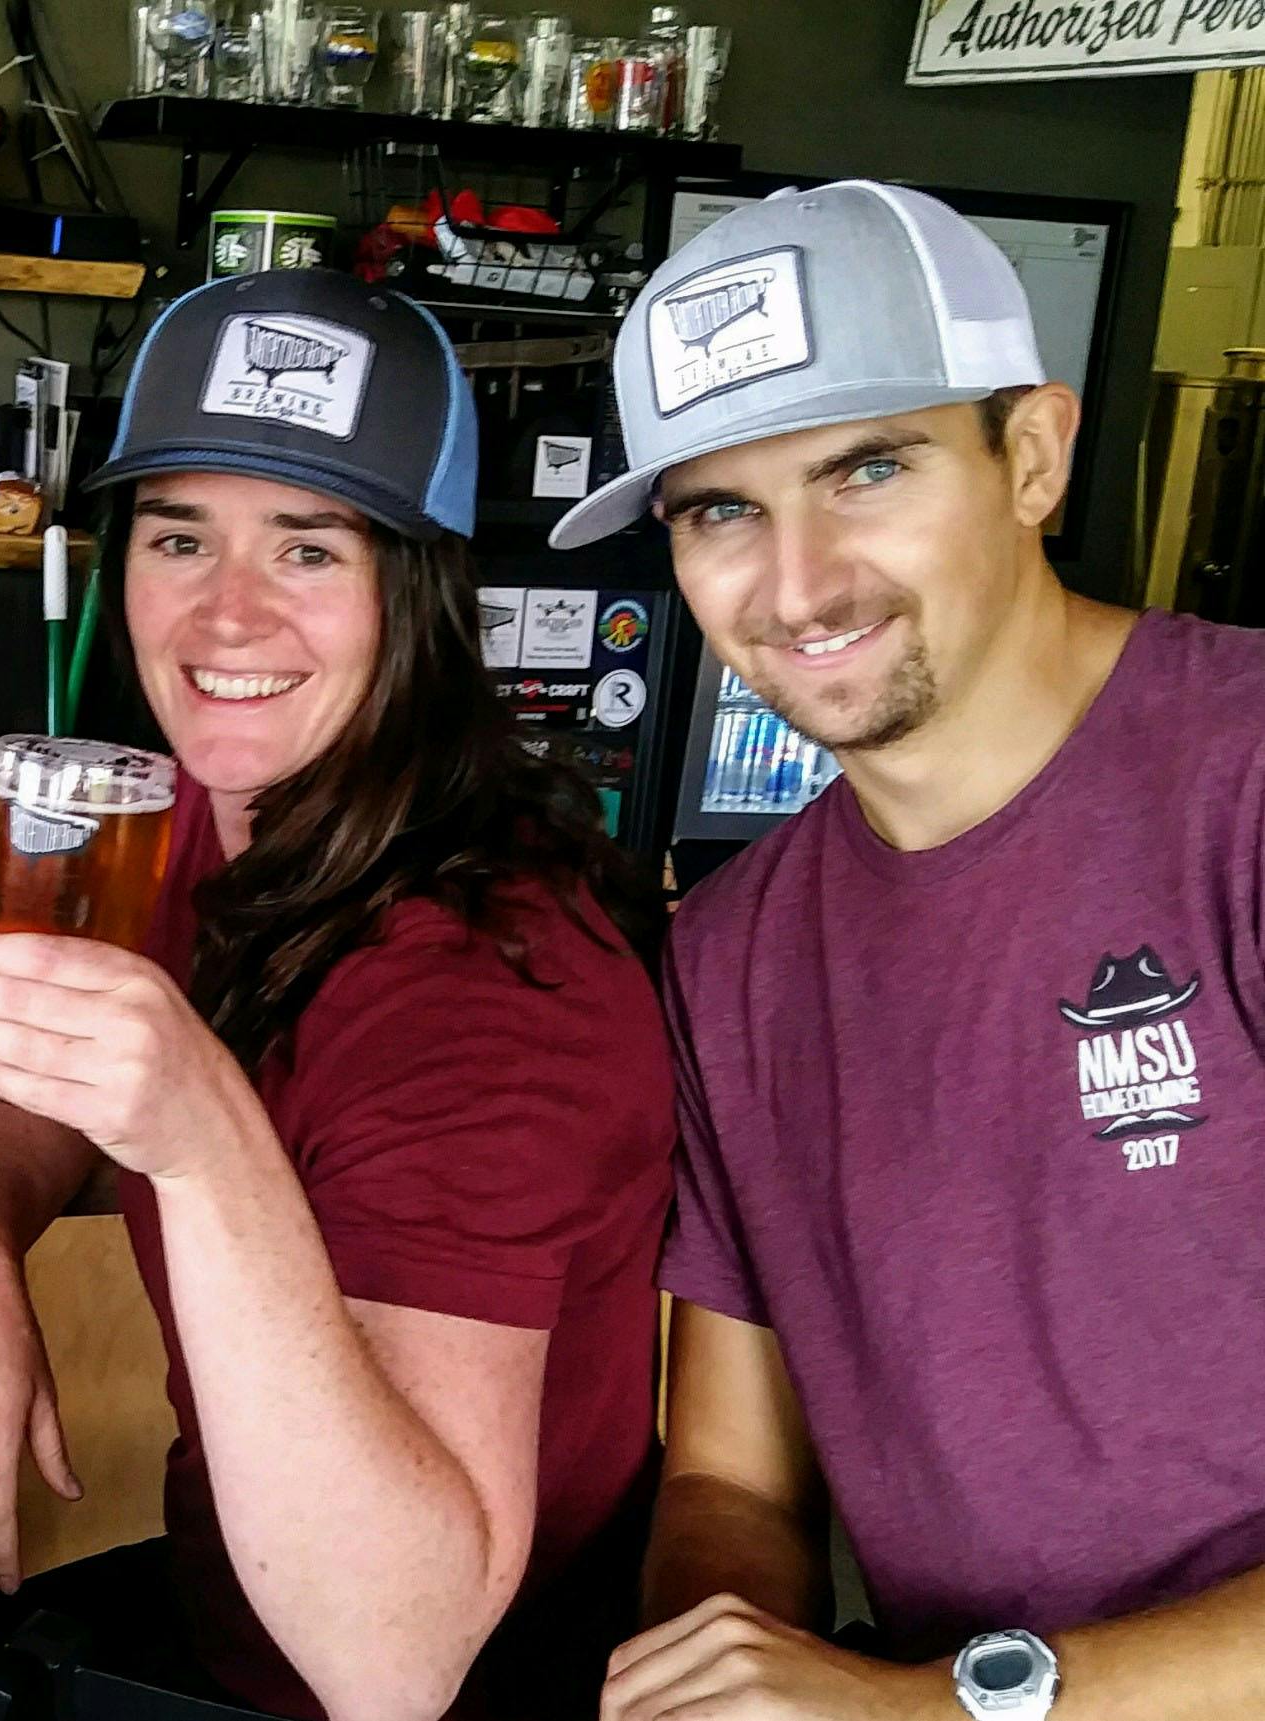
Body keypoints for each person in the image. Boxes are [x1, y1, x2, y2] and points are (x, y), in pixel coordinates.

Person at [0, 268, 676, 1721]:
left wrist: (199, 1131)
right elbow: (41, 1062)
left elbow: (396, 1663)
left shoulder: (487, 990)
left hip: (424, 1677)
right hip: (231, 1603)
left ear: (417, 592)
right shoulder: (184, 827)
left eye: (307, 549)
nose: (227, 615)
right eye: (180, 538)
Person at [549, 180, 1265, 1721]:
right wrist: (718, 1679)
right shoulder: (733, 954)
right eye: (720, 510)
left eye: (865, 469)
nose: (796, 582)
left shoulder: (1244, 782)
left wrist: (948, 1706)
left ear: (1033, 457)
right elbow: (733, 1480)